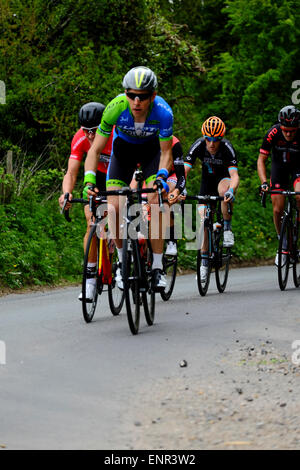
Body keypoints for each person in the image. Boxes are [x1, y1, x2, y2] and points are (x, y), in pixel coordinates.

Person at [83, 66, 181, 292]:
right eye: (131, 95)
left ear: (153, 96)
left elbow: (166, 153)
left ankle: (157, 267)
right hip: (123, 154)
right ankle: (121, 263)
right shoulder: (115, 108)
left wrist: (162, 177)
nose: (136, 101)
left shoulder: (163, 113)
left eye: (143, 96)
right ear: (125, 94)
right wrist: (89, 181)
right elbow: (95, 150)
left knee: (156, 203)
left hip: (150, 153)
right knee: (114, 207)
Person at [58, 102, 113, 300]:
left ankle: (125, 261)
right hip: (96, 178)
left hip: (117, 176)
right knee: (92, 225)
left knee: (121, 218)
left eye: (94, 130)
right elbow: (71, 173)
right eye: (86, 130)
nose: (90, 135)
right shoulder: (80, 138)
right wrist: (66, 193)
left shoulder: (115, 135)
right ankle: (90, 280)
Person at [184, 116, 239, 282]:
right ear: (204, 138)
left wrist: (231, 190)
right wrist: (181, 188)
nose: (212, 143)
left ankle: (227, 228)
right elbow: (184, 171)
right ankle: (204, 263)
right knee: (203, 222)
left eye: (216, 140)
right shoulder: (199, 145)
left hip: (223, 180)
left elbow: (234, 175)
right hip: (206, 184)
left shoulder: (227, 148)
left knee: (223, 192)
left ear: (221, 139)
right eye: (208, 139)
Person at [257, 104, 300, 265]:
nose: (288, 133)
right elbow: (261, 160)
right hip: (279, 168)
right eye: (285, 130)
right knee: (277, 208)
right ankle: (282, 243)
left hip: (298, 168)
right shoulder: (273, 133)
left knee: (299, 194)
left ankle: (296, 229)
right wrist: (263, 182)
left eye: (292, 130)